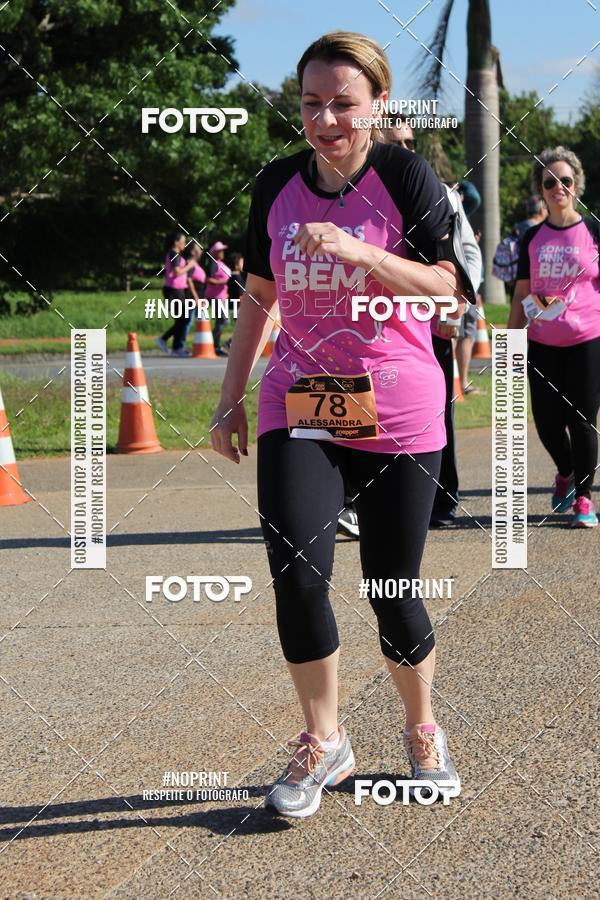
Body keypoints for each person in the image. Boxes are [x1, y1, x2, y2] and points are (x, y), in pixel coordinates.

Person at [211, 31, 475, 819]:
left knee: (391, 588)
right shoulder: (277, 184)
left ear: (377, 105)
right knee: (297, 573)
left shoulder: (405, 175)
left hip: (397, 408)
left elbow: (449, 295)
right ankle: (324, 738)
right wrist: (229, 398)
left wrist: (362, 252)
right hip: (301, 401)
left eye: (343, 104)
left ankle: (422, 729)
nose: (326, 119)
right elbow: (259, 298)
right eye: (311, 104)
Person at [382, 120, 483, 527]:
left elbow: (468, 255)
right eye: (396, 142)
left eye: (410, 141)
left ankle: (442, 499)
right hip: (375, 329)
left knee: (438, 413)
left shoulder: (440, 193)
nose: (407, 148)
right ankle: (362, 499)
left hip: (429, 324)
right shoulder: (356, 192)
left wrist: (453, 309)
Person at [508, 147, 600, 528]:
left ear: (576, 186)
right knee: (546, 422)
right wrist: (511, 342)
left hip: (587, 340)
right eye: (550, 182)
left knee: (582, 420)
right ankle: (565, 471)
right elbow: (520, 293)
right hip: (542, 343)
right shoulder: (531, 237)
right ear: (541, 190)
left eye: (564, 181)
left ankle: (583, 497)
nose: (557, 187)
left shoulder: (594, 230)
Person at [156, 231, 195, 358]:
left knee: (182, 319)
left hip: (178, 290)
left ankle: (177, 348)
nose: (185, 243)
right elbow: (177, 272)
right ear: (176, 242)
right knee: (184, 319)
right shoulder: (173, 253)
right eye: (183, 241)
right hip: (173, 290)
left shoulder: (176, 254)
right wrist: (190, 266)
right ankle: (165, 340)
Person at [205, 241, 232, 356]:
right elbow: (208, 279)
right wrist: (222, 282)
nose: (222, 252)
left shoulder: (219, 263)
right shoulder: (213, 263)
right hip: (216, 297)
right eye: (220, 251)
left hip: (221, 296)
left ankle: (214, 345)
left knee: (221, 321)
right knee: (224, 321)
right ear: (215, 253)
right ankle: (211, 343)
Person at [222, 253, 247, 352]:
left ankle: (232, 345)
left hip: (234, 307)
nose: (243, 264)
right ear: (236, 265)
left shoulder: (232, 277)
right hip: (238, 307)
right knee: (241, 330)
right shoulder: (237, 278)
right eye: (241, 262)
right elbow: (241, 294)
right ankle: (229, 344)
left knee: (240, 330)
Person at [183, 242, 207, 341]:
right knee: (189, 321)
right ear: (193, 252)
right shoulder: (190, 263)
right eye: (198, 249)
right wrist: (196, 297)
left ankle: (203, 343)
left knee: (201, 320)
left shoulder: (195, 264)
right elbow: (189, 280)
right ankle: (180, 345)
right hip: (193, 298)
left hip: (199, 297)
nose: (201, 251)